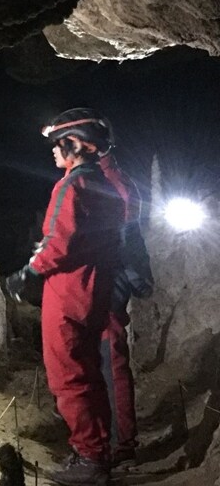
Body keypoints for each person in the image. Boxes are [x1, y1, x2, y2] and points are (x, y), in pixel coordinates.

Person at [6, 108, 125, 485]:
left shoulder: (71, 185)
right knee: (90, 374)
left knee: (68, 377)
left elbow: (60, 241)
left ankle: (89, 459)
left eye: (57, 145)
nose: (53, 153)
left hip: (68, 293)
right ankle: (99, 451)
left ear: (74, 143)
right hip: (95, 289)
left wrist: (26, 274)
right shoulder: (104, 185)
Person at [87, 109, 154, 470]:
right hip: (101, 280)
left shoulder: (113, 179)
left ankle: (118, 444)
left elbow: (123, 229)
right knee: (98, 364)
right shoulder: (104, 177)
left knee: (110, 363)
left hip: (110, 282)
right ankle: (106, 441)